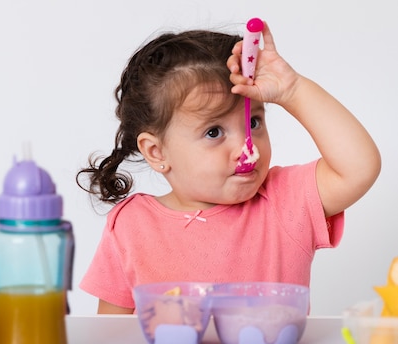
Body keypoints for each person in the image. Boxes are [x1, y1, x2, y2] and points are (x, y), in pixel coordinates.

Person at [77, 21, 381, 314]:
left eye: (253, 122)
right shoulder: (130, 225)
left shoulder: (284, 200)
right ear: (157, 152)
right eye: (214, 132)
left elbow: (359, 167)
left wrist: (293, 90)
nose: (247, 149)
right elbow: (113, 338)